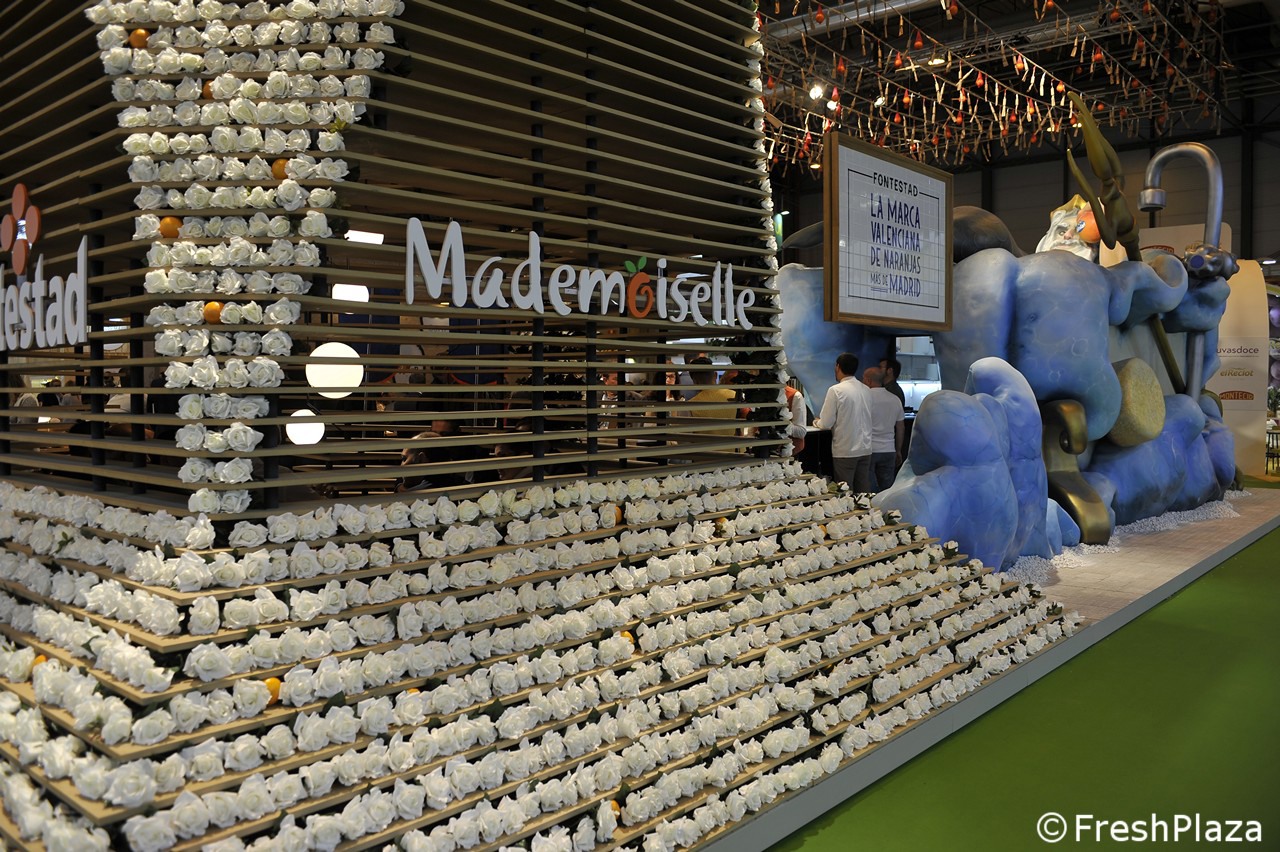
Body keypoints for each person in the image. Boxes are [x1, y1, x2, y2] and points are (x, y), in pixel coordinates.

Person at [814, 352, 873, 493]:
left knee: (846, 494)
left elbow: (826, 423)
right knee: (863, 493)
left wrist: (817, 422)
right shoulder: (866, 389)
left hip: (846, 450)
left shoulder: (835, 390)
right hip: (865, 448)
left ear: (837, 366)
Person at [862, 366, 905, 492]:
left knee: (868, 490)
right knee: (887, 490)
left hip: (868, 449)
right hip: (889, 450)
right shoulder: (895, 399)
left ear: (868, 380)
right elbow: (900, 427)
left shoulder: (864, 398)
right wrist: (898, 450)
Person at [680, 356, 738, 437]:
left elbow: (684, 439)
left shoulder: (690, 407)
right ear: (715, 375)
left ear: (694, 380)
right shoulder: (734, 396)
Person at [784, 384, 807, 455]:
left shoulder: (795, 396)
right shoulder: (759, 394)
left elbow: (801, 431)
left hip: (789, 453)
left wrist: (780, 425)